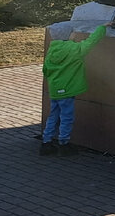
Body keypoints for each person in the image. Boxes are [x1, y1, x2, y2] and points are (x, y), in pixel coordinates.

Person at [41, 24, 107, 155]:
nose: (75, 34)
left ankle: (46, 143)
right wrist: (101, 28)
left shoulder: (52, 50)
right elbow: (90, 42)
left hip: (55, 90)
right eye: (72, 32)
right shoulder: (74, 49)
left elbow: (46, 70)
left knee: (53, 115)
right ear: (67, 35)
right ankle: (64, 144)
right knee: (67, 117)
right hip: (68, 90)